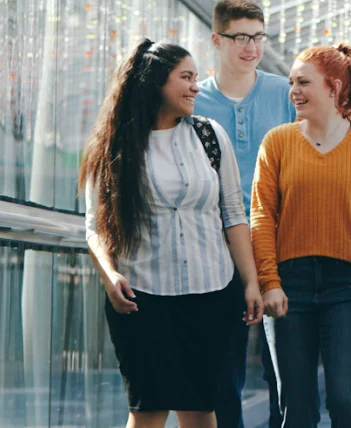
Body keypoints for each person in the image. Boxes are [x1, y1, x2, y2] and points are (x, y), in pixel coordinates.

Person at [78, 39, 264, 428]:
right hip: (142, 297)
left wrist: (250, 283)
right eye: (186, 77)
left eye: (196, 77)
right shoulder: (115, 146)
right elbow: (95, 227)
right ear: (155, 82)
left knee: (200, 409)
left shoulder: (210, 137)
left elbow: (233, 214)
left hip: (211, 293)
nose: (196, 86)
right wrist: (110, 277)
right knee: (148, 410)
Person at [249, 44, 351, 428]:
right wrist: (270, 281)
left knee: (346, 403)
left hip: (346, 285)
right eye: (291, 83)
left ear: (333, 88)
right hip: (288, 285)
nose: (293, 91)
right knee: (295, 410)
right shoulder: (277, 141)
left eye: (303, 82)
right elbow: (262, 216)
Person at [193, 0, 295, 428]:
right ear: (217, 40)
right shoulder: (193, 100)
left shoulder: (285, 92)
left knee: (284, 368)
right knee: (223, 364)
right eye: (240, 37)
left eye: (258, 36)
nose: (251, 46)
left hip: (280, 240)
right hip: (217, 248)